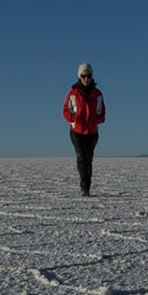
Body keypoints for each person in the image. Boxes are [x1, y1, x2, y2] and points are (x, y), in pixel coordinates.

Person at [62, 63, 105, 196]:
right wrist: (74, 118)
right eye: (83, 76)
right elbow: (65, 111)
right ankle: (84, 188)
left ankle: (87, 187)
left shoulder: (97, 94)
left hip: (92, 132)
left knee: (89, 158)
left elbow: (102, 113)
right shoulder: (73, 93)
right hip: (77, 132)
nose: (86, 78)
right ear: (79, 76)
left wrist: (94, 120)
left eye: (89, 76)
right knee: (81, 157)